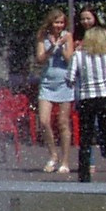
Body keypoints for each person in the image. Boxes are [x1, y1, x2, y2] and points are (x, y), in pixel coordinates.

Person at [69, 16, 106, 183]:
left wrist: (80, 82)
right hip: (105, 97)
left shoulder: (78, 55)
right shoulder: (105, 53)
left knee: (86, 138)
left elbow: (70, 78)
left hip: (87, 98)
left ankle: (84, 175)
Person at [33, 9, 74, 175]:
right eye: (56, 22)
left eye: (61, 22)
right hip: (47, 82)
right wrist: (52, 47)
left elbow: (70, 59)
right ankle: (53, 154)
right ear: (50, 23)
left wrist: (62, 45)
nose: (59, 25)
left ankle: (65, 161)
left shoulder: (68, 36)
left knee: (63, 122)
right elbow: (40, 59)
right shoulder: (43, 36)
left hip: (64, 82)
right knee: (43, 121)